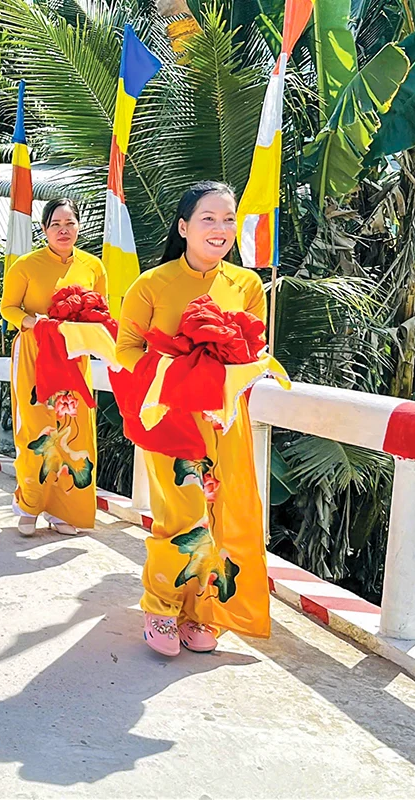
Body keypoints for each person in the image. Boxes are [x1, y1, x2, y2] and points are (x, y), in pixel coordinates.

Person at [116, 181, 270, 656]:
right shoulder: (151, 285)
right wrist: (182, 366)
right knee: (181, 515)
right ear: (183, 227)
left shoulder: (246, 285)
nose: (220, 229)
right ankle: (160, 606)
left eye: (228, 219)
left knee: (220, 515)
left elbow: (257, 353)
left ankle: (202, 611)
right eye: (208, 218)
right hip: (171, 418)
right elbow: (124, 354)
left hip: (224, 421)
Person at [0, 198, 107, 538]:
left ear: (79, 226)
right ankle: (29, 505)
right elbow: (8, 308)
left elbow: (101, 312)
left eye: (70, 223)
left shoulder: (93, 267)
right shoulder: (25, 265)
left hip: (75, 358)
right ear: (44, 229)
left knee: (75, 431)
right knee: (35, 429)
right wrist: (33, 322)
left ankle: (65, 510)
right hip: (34, 353)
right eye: (56, 224)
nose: (63, 230)